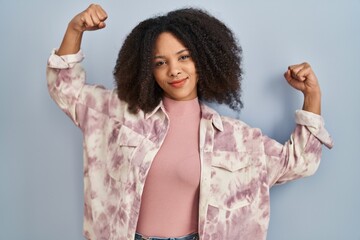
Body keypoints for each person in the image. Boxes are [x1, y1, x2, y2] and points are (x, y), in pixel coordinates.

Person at [46, 4, 333, 240]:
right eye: (160, 62)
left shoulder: (234, 139)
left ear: (205, 60)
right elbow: (65, 88)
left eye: (184, 57)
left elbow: (299, 162)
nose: (174, 70)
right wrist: (75, 29)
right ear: (148, 70)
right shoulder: (121, 114)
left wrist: (312, 95)